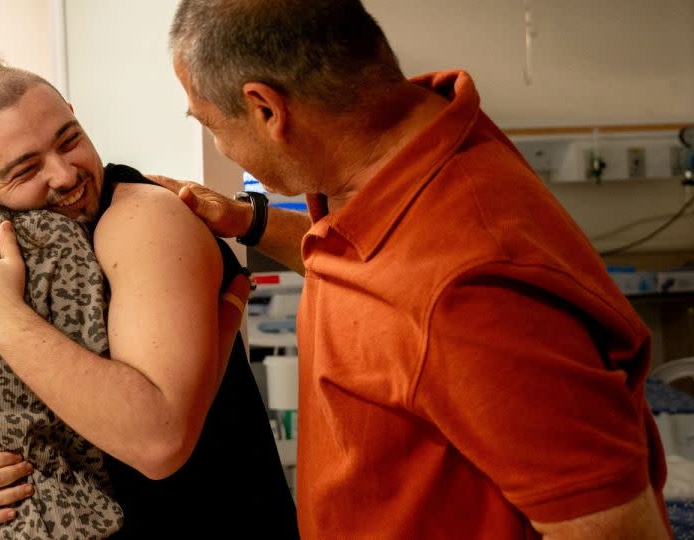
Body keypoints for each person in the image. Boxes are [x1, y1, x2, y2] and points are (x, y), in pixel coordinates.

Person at [152, 0, 672, 538]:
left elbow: (614, 528)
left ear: (266, 109)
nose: (220, 146)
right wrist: (248, 221)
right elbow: (376, 278)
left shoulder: (472, 291)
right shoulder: (408, 151)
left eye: (211, 124)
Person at [0, 44, 298, 538]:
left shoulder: (140, 218)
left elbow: (158, 441)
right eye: (25, 169)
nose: (66, 175)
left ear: (74, 115)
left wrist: (0, 319)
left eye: (69, 140)